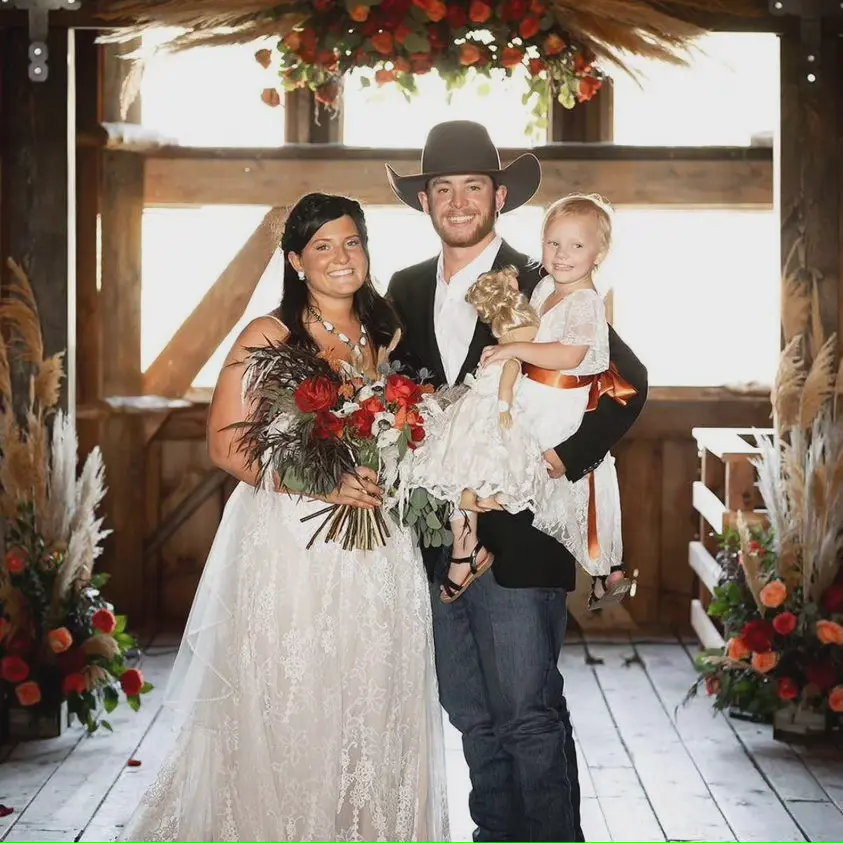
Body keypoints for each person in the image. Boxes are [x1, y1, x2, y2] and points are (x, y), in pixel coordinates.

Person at [121, 193, 449, 842]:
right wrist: (326, 481)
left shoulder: (387, 333)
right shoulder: (267, 335)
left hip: (379, 542)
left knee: (372, 694)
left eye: (350, 242)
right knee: (293, 697)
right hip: (291, 543)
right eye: (322, 246)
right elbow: (225, 443)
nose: (339, 257)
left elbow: (406, 426)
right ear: (296, 260)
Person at [386, 121, 648, 842]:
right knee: (469, 708)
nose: (458, 200)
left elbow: (627, 384)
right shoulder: (403, 287)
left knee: (526, 709)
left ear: (499, 196)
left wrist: (565, 459)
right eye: (443, 187)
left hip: (522, 524)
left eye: (474, 185)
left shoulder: (541, 277)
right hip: (439, 531)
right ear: (426, 200)